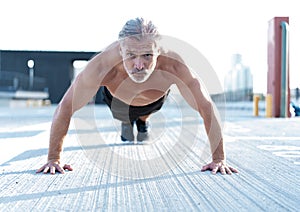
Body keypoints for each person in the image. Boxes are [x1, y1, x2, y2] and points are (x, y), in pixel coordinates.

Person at [37, 17, 238, 175]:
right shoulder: (101, 67)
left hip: (153, 101)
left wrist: (218, 158)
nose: (139, 65)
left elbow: (206, 107)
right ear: (120, 48)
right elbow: (65, 107)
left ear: (158, 51)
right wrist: (54, 158)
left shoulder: (174, 65)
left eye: (147, 56)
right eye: (131, 56)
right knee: (124, 116)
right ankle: (127, 122)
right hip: (118, 101)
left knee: (143, 119)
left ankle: (142, 121)